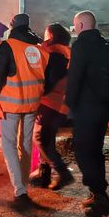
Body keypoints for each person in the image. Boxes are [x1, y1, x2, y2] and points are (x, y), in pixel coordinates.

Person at [0, 13, 50, 209]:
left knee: (9, 144)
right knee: (25, 144)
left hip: (12, 105)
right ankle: (23, 184)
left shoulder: (9, 46)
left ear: (13, 26)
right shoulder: (38, 49)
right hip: (32, 104)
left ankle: (20, 189)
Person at [65, 10, 109, 217]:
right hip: (103, 107)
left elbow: (75, 77)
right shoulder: (105, 46)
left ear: (82, 25)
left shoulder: (81, 45)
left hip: (86, 108)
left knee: (83, 152)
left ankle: (101, 198)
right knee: (95, 150)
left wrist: (69, 103)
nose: (75, 29)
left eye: (75, 26)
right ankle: (97, 194)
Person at [31, 23, 74, 191]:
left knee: (42, 139)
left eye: (46, 32)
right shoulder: (67, 52)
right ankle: (44, 175)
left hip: (49, 103)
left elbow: (49, 78)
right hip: (61, 104)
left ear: (52, 35)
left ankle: (63, 173)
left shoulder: (53, 52)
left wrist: (39, 92)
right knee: (46, 138)